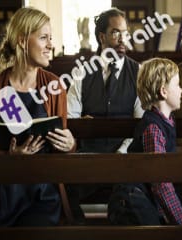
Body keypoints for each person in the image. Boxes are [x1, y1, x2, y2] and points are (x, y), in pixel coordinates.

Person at [0, 7, 76, 227]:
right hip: (2, 190)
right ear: (23, 41)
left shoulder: (54, 86)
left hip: (43, 193)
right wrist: (9, 155)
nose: (50, 45)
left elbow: (61, 151)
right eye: (44, 38)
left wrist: (70, 144)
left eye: (50, 38)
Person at [66, 7, 144, 223]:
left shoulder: (139, 73)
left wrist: (119, 155)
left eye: (125, 33)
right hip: (88, 160)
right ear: (102, 37)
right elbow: (69, 121)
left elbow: (140, 125)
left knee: (128, 200)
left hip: (125, 161)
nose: (123, 39)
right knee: (61, 188)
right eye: (116, 32)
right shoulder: (82, 73)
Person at [126, 58, 182, 225]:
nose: (181, 90)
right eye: (177, 85)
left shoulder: (166, 122)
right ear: (163, 91)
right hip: (134, 199)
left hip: (145, 197)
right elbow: (160, 182)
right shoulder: (153, 128)